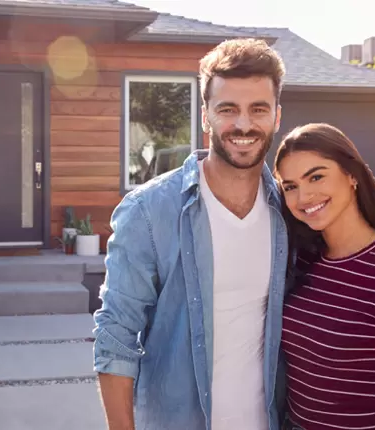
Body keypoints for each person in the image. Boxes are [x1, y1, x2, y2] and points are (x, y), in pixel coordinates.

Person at [92, 37, 290, 430]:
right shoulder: (149, 212)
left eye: (258, 109)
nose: (244, 125)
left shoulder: (290, 210)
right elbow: (115, 338)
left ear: (277, 117)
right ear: (205, 116)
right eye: (228, 109)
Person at [273, 123, 375, 430]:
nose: (304, 196)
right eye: (290, 186)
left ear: (352, 175)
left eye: (316, 176)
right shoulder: (303, 261)